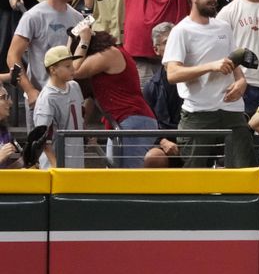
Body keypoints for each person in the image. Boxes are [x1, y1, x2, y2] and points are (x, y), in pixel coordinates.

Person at [163, 0, 255, 168]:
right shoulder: (181, 31)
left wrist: (241, 81)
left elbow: (233, 60)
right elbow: (172, 74)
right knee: (194, 175)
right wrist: (210, 66)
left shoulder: (223, 27)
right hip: (199, 111)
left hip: (231, 108)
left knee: (243, 170)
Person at [6, 0, 84, 130]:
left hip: (68, 95)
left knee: (68, 151)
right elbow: (13, 56)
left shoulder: (78, 18)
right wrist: (30, 90)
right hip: (41, 95)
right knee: (39, 152)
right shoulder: (33, 16)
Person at [70, 23, 159, 168]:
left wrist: (83, 41)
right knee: (113, 175)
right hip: (121, 122)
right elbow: (92, 97)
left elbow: (73, 70)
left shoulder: (110, 53)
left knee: (125, 179)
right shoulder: (100, 66)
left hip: (132, 119)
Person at [34, 45, 85, 169]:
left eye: (72, 64)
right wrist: (56, 166)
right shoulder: (47, 98)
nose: (72, 69)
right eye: (67, 66)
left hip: (76, 158)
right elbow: (42, 138)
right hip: (57, 164)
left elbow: (80, 114)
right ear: (53, 70)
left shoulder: (74, 86)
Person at [142, 22, 184, 167]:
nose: (173, 45)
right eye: (167, 42)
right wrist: (163, 141)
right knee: (154, 157)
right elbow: (148, 123)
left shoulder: (193, 75)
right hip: (165, 141)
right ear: (156, 49)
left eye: (175, 41)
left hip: (193, 137)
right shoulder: (151, 87)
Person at [0, 87, 22, 168]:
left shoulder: (4, 132)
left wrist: (23, 162)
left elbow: (5, 171)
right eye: (4, 97)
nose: (10, 102)